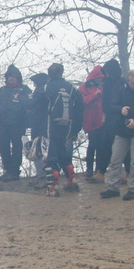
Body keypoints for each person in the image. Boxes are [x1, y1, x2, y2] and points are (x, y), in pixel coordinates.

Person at [100, 70, 134, 201]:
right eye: (132, 83)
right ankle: (113, 187)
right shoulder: (122, 90)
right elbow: (111, 106)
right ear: (128, 81)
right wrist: (120, 109)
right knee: (115, 160)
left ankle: (133, 189)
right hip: (122, 131)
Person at [42, 63, 83, 196]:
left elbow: (37, 109)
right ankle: (72, 179)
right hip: (67, 128)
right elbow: (80, 110)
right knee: (64, 155)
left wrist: (37, 131)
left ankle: (53, 187)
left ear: (49, 74)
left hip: (50, 128)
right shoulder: (72, 89)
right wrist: (75, 130)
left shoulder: (45, 88)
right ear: (62, 73)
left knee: (50, 157)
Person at [0, 64, 31, 181]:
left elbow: (31, 105)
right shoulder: (2, 90)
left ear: (18, 78)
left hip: (19, 124)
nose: (12, 79)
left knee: (17, 147)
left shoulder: (24, 89)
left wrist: (27, 121)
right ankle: (7, 170)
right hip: (4, 124)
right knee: (3, 147)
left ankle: (14, 171)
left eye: (14, 77)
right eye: (10, 77)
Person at [79, 65, 106, 183]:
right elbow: (82, 101)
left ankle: (98, 170)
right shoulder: (83, 87)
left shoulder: (106, 86)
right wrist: (95, 95)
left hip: (102, 120)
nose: (100, 80)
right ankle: (89, 169)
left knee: (101, 146)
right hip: (90, 120)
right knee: (92, 145)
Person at [27, 73, 49, 189]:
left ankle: (43, 177)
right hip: (44, 126)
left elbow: (36, 112)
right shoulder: (46, 92)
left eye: (34, 82)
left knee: (38, 152)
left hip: (40, 127)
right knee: (40, 151)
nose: (33, 85)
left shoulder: (39, 94)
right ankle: (41, 175)